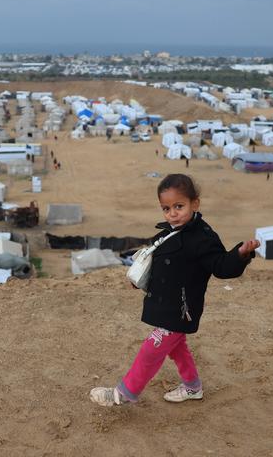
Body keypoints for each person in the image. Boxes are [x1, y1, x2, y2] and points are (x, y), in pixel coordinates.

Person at [90, 174, 259, 407]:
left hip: (181, 308)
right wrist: (141, 280)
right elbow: (159, 264)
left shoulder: (203, 237)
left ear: (195, 203)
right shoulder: (168, 233)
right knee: (177, 347)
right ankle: (192, 387)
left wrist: (240, 254)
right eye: (166, 208)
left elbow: (220, 266)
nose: (173, 213)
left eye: (179, 206)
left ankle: (125, 392)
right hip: (165, 303)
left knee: (152, 348)